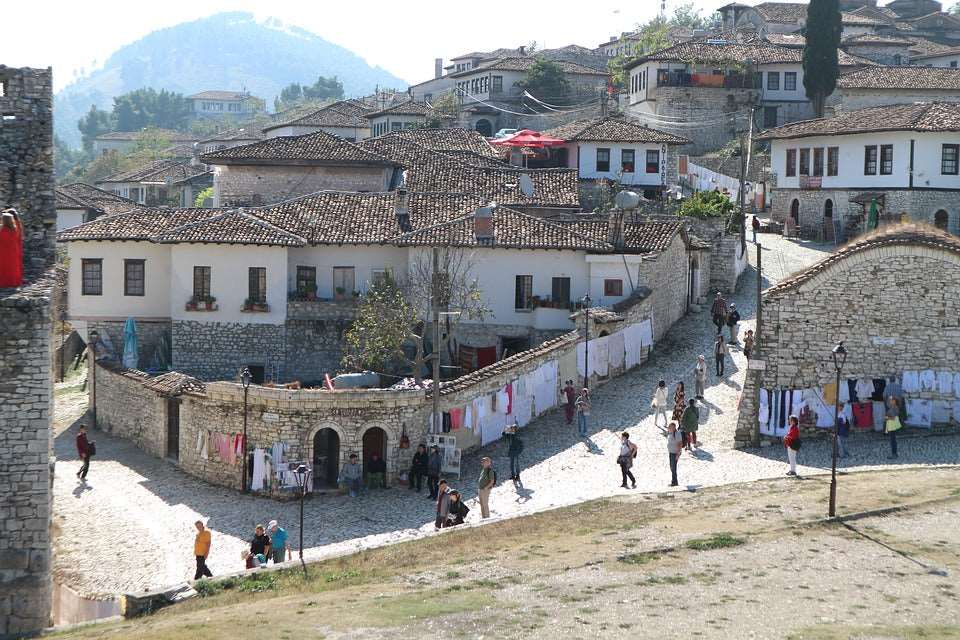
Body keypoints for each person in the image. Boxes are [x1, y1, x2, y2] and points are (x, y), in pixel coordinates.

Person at [0, 208, 24, 289]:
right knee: (13, 267)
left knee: (4, 267)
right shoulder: (15, 229)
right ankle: (14, 282)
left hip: (4, 251)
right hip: (13, 250)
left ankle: (5, 282)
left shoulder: (3, 230)